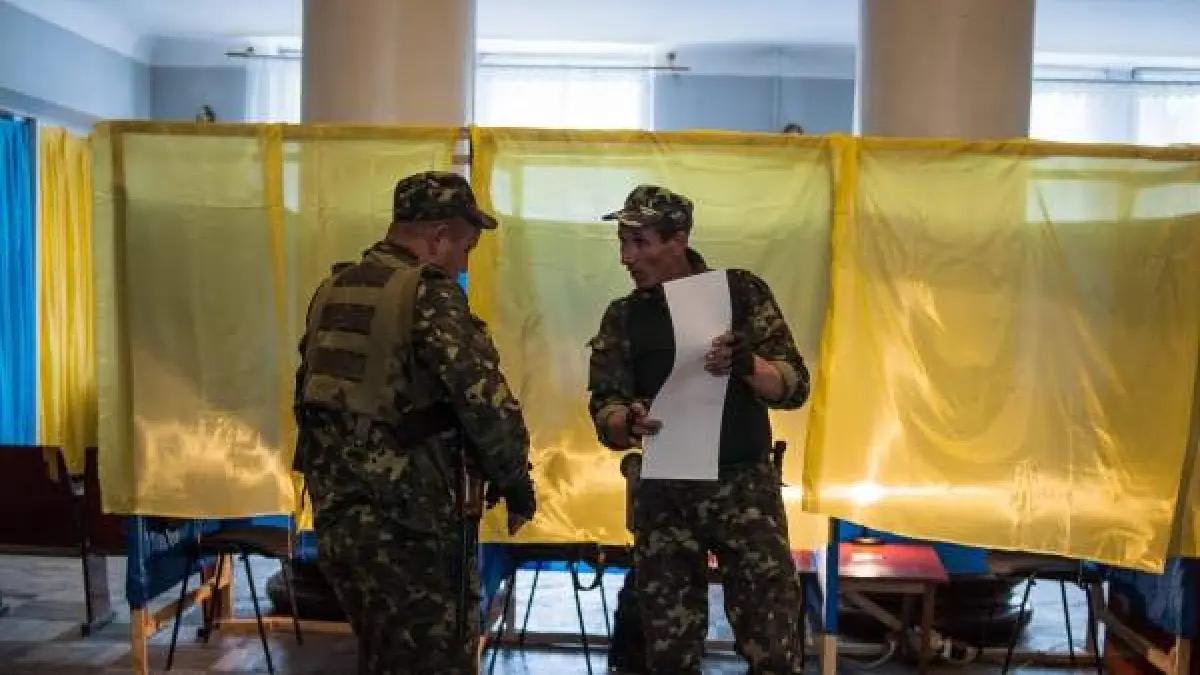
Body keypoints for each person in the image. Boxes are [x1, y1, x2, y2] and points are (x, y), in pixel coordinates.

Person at [293, 171, 537, 675]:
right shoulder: (427, 294)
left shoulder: (334, 288)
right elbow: (485, 402)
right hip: (411, 525)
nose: (463, 264)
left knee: (382, 652)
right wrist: (516, 485)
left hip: (339, 518)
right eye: (465, 249)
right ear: (439, 237)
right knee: (437, 659)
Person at [587, 185, 811, 674]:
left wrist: (748, 364)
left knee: (773, 646)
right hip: (665, 499)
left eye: (640, 242)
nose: (627, 257)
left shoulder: (740, 293)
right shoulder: (624, 317)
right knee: (668, 654)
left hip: (745, 491)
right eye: (622, 242)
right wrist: (628, 421)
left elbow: (793, 386)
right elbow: (605, 408)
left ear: (679, 239)